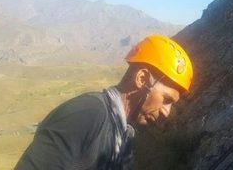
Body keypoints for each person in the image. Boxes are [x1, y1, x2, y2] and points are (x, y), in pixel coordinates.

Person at [15, 35, 194, 170]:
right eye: (166, 99)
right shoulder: (87, 114)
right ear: (141, 79)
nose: (166, 112)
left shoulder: (125, 136)